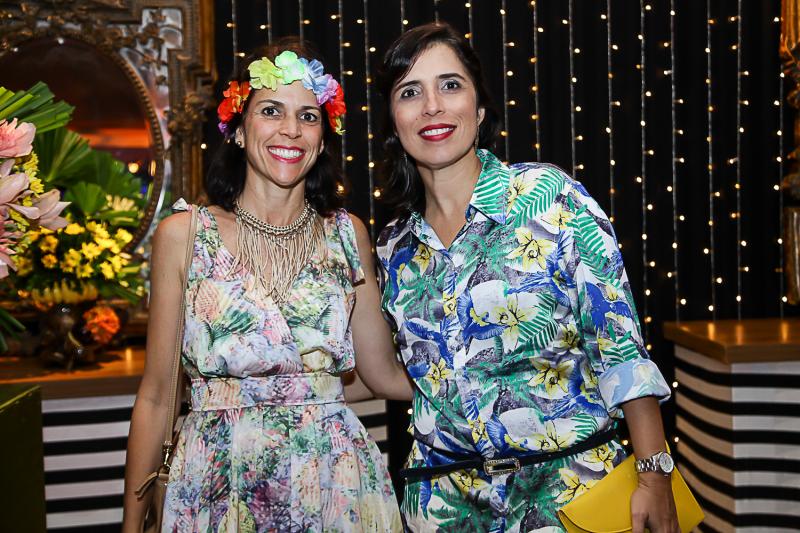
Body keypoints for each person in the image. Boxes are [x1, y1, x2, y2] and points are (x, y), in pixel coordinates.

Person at [376, 22, 680, 533]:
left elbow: (618, 344)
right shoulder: (393, 248)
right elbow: (421, 376)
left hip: (572, 497)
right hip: (445, 510)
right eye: (410, 92)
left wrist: (654, 475)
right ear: (393, 120)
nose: (432, 106)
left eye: (450, 85)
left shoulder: (550, 197)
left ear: (479, 108)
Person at [122, 37, 409, 532]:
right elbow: (156, 398)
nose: (290, 130)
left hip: (335, 488)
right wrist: (132, 525)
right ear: (238, 129)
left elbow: (380, 375)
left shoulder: (348, 235)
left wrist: (477, 376)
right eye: (271, 110)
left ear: (322, 138)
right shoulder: (184, 236)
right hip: (216, 487)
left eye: (308, 116)